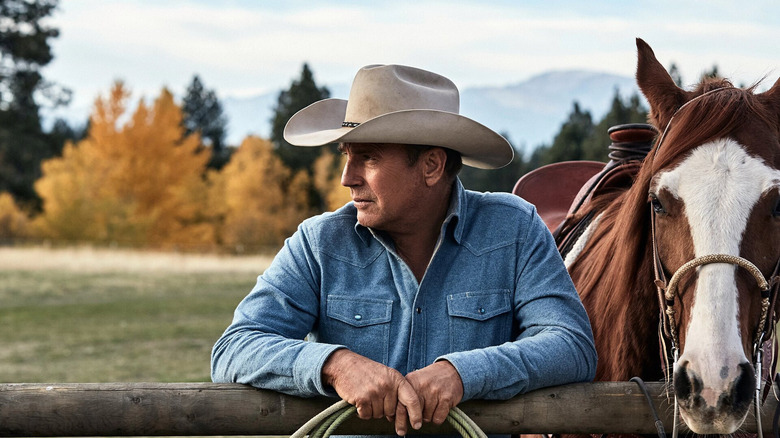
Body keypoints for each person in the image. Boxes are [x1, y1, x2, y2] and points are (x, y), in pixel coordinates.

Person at [211, 64, 597, 436]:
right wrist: (335, 364)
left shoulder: (513, 229)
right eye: (347, 155)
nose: (347, 178)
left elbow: (571, 344)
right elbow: (235, 348)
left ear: (431, 166)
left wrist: (462, 373)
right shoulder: (319, 243)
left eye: (369, 157)